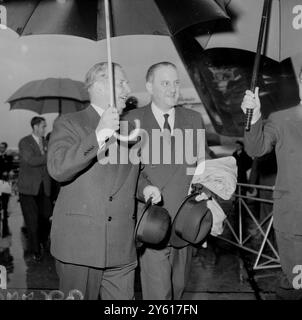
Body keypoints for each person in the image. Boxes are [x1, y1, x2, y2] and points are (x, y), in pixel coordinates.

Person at [47, 62, 160, 300]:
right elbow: (58, 169)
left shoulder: (129, 130)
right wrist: (99, 134)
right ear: (98, 86)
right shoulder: (69, 123)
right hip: (80, 246)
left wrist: (146, 187)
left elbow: (134, 173)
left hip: (122, 246)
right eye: (121, 82)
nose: (128, 89)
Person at [124, 61, 211, 300]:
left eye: (176, 82)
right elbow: (125, 169)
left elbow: (202, 164)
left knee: (179, 289)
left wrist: (207, 188)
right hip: (152, 222)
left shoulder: (193, 119)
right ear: (149, 87)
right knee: (159, 295)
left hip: (186, 222)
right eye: (165, 83)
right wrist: (144, 188)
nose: (173, 88)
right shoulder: (132, 120)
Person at [241, 73, 302, 299]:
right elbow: (256, 148)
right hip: (295, 223)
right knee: (296, 289)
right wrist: (254, 116)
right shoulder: (281, 119)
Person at [18, 117, 53, 261]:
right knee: (32, 222)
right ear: (35, 126)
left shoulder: (46, 142)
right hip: (28, 189)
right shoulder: (25, 142)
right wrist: (49, 155)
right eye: (43, 126)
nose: (45, 129)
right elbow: (31, 160)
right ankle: (35, 251)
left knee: (45, 220)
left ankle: (43, 244)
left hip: (44, 189)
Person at [0, 142, 13, 237]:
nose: (1, 149)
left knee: (5, 200)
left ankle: (5, 213)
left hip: (6, 182)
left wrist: (8, 172)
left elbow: (11, 167)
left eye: (3, 147)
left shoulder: (9, 158)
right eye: (0, 147)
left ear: (5, 148)